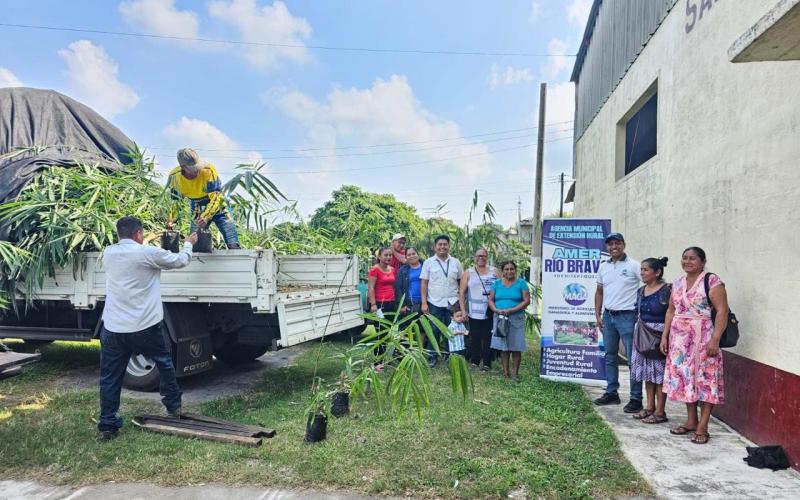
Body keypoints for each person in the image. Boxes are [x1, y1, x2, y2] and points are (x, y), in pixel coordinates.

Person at [97, 216, 197, 441]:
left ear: (119, 234)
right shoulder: (148, 254)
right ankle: (173, 407)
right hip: (144, 326)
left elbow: (130, 252)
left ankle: (107, 425)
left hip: (113, 328)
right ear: (138, 234)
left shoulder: (108, 253)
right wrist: (189, 242)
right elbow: (180, 260)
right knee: (164, 363)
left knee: (110, 377)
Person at [661, 247, 728, 444]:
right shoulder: (677, 282)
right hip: (679, 342)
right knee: (685, 380)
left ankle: (703, 425)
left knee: (705, 380)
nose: (687, 262)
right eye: (684, 258)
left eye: (692, 258)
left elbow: (722, 311)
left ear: (702, 261)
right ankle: (691, 420)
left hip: (703, 339)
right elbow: (670, 312)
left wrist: (715, 339)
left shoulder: (712, 281)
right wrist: (665, 336)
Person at [593, 232, 644, 413]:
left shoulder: (634, 265)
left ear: (624, 244)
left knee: (633, 359)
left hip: (628, 317)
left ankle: (636, 398)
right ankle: (612, 393)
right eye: (610, 244)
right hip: (608, 316)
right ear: (607, 247)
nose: (613, 247)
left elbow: (649, 282)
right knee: (610, 356)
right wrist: (598, 315)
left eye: (617, 243)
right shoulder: (603, 267)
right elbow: (599, 291)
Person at [167, 148, 241, 249]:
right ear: (183, 167)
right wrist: (171, 220)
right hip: (197, 206)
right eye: (193, 169)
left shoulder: (208, 170)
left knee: (233, 244)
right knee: (195, 243)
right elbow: (175, 202)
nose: (197, 170)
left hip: (219, 207)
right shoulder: (175, 177)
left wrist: (206, 217)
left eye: (198, 167)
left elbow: (216, 197)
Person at [630, 257, 671, 424]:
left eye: (645, 270)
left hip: (659, 335)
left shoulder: (667, 290)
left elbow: (671, 313)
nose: (642, 273)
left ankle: (660, 412)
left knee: (659, 375)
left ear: (657, 272)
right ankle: (649, 407)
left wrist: (666, 337)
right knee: (648, 374)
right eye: (641, 270)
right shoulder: (641, 291)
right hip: (642, 335)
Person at [420, 235, 463, 367]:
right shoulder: (428, 262)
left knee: (453, 330)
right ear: (435, 247)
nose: (442, 247)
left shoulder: (456, 262)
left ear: (449, 246)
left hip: (453, 302)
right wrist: (424, 302)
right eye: (440, 244)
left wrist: (461, 303)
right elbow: (424, 284)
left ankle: (452, 356)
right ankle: (433, 356)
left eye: (445, 244)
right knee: (434, 330)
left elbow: (461, 282)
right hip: (434, 302)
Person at [488, 261, 531, 382]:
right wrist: (496, 310)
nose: (509, 271)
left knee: (516, 346)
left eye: (512, 269)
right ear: (503, 271)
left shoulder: (521, 283)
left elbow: (526, 301)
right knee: (503, 346)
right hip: (500, 318)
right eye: (506, 269)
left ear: (515, 270)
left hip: (516, 318)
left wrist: (512, 310)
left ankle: (514, 374)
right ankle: (505, 372)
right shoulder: (496, 283)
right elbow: (490, 300)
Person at [459, 247, 499, 371]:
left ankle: (487, 362)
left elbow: (502, 288)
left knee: (488, 336)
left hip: (490, 309)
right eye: (478, 256)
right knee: (475, 336)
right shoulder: (468, 272)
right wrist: (463, 310)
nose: (480, 258)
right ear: (474, 258)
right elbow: (461, 293)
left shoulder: (494, 271)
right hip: (473, 310)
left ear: (487, 257)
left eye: (483, 256)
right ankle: (475, 360)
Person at [367, 247, 397, 318]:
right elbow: (371, 287)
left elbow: (394, 286)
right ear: (379, 256)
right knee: (381, 326)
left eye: (390, 255)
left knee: (390, 326)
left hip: (391, 302)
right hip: (379, 303)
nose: (388, 257)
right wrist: (373, 304)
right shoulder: (374, 269)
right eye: (386, 255)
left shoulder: (393, 269)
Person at [396, 247, 423, 315]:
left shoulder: (426, 266)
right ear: (406, 257)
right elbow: (398, 288)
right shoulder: (403, 270)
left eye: (413, 254)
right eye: (409, 255)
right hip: (409, 303)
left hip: (425, 303)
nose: (412, 256)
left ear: (418, 254)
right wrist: (402, 305)